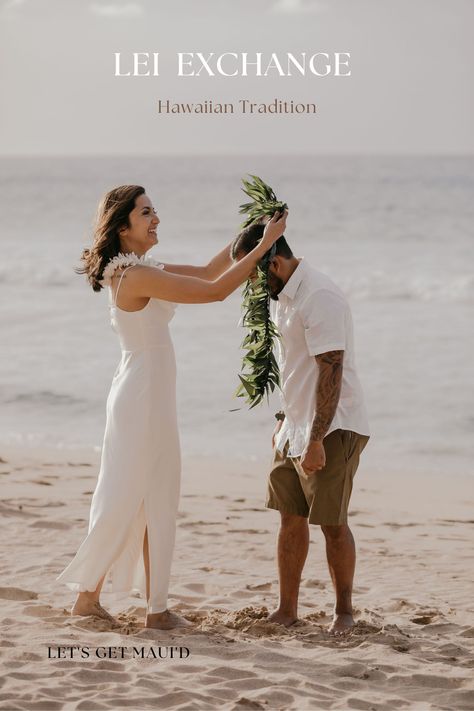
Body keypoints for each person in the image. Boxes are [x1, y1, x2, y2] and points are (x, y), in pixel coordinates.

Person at [55, 185, 287, 630]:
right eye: (146, 213)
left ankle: (133, 605)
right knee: (135, 494)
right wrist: (262, 247)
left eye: (154, 210)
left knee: (150, 495)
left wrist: (249, 232)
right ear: (123, 227)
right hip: (142, 397)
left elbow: (206, 270)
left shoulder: (139, 267)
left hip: (148, 393)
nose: (155, 218)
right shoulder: (132, 276)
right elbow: (216, 291)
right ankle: (124, 605)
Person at [231, 223, 370, 636]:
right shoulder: (282, 296)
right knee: (289, 518)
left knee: (331, 522)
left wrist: (314, 440)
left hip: (333, 428)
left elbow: (332, 368)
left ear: (274, 262)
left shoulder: (319, 296)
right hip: (294, 426)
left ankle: (344, 612)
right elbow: (296, 367)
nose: (250, 285)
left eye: (252, 274)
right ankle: (287, 609)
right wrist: (284, 420)